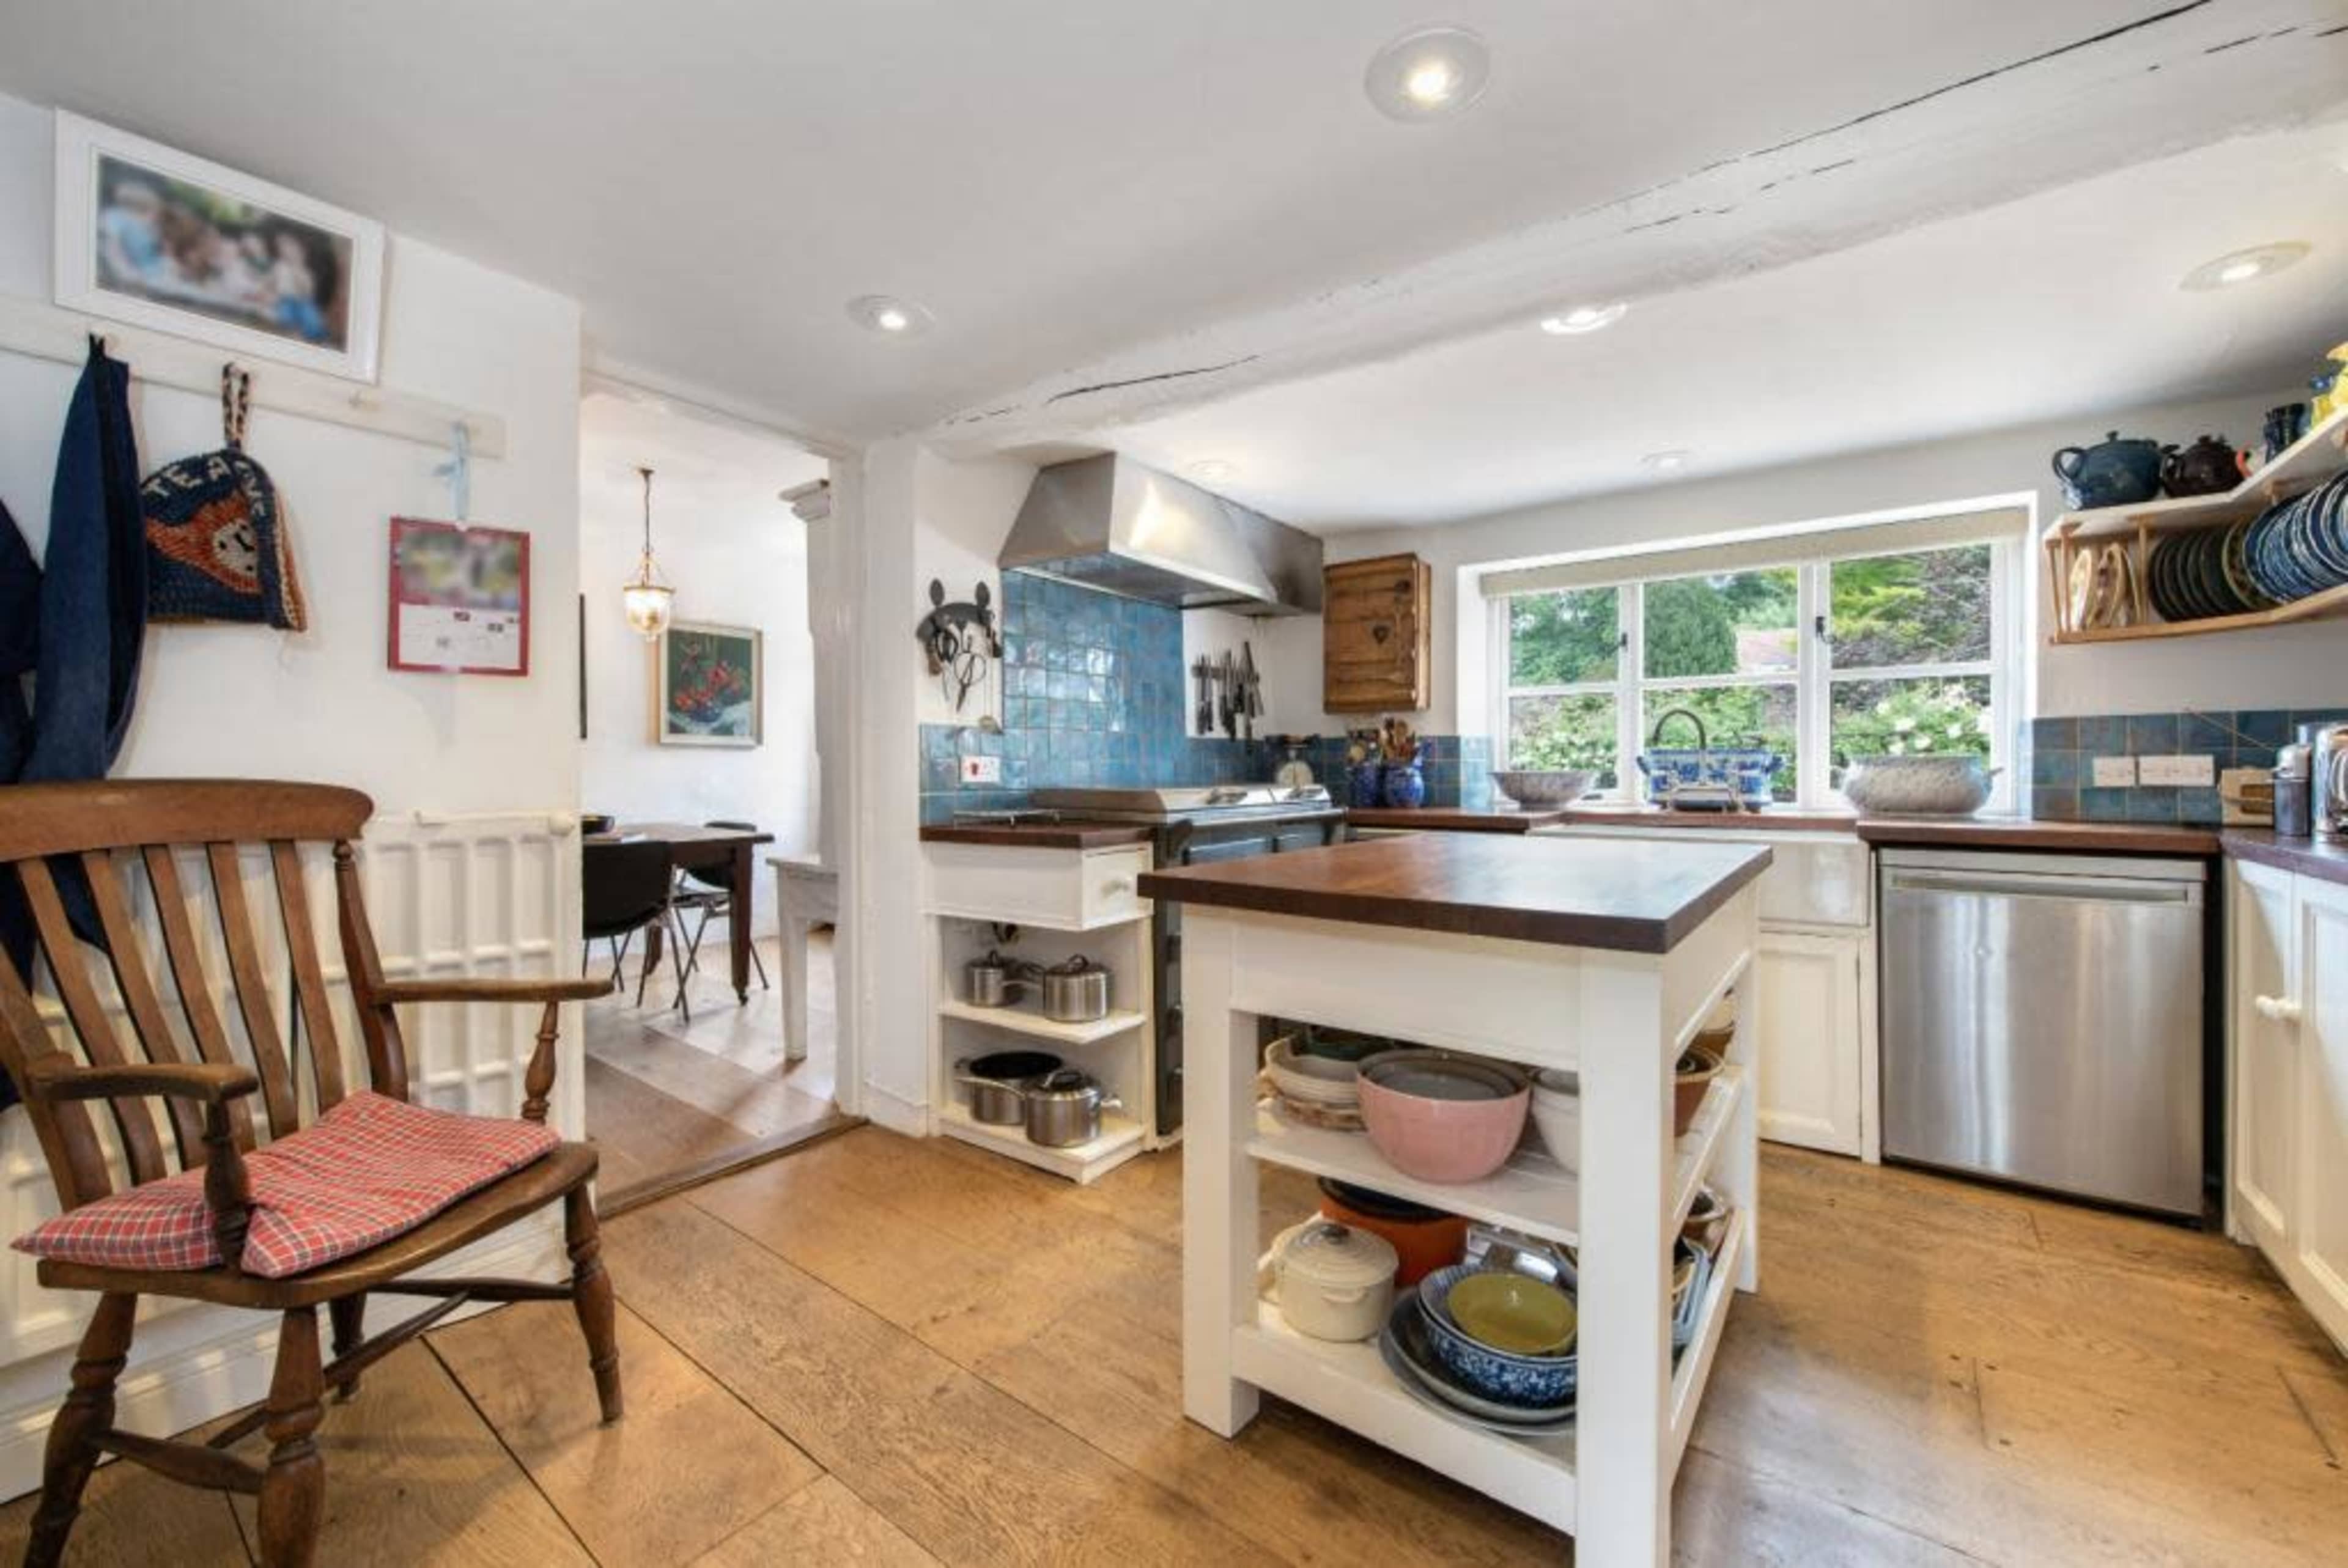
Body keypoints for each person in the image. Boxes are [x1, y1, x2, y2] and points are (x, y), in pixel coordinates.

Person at [268, 229, 328, 342]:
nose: (286, 251)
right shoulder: (279, 266)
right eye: (282, 248)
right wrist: (270, 293)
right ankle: (294, 332)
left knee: (310, 315)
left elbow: (308, 291)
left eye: (291, 248)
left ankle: (314, 335)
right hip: (284, 299)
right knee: (286, 313)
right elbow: (271, 283)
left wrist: (296, 269)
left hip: (302, 300)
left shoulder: (305, 271)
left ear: (301, 253)